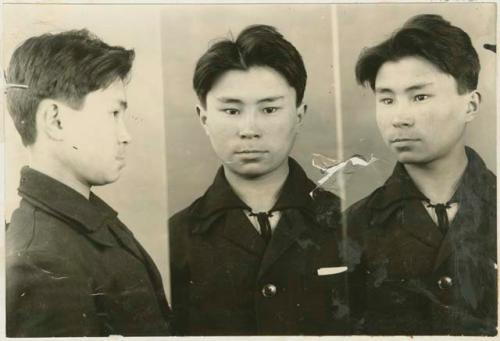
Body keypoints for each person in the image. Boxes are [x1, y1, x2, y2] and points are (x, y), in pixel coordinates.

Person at [169, 25, 349, 335]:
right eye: (231, 110)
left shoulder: (346, 223)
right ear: (204, 118)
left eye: (269, 109)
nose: (249, 129)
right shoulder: (177, 237)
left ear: (299, 115)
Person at [5, 29, 171, 337]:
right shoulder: (40, 261)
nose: (126, 134)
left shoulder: (81, 224)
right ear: (55, 120)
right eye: (113, 113)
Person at [345, 14, 497, 335]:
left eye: (420, 96)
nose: (399, 117)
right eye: (387, 99)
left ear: (471, 105)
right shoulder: (352, 228)